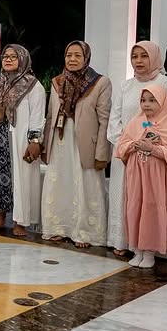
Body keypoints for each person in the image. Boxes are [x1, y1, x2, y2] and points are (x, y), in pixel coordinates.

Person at [107, 41, 167, 255]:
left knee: (148, 198)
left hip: (153, 155)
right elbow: (115, 118)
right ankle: (123, 241)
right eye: (135, 56)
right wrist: (126, 145)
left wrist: (150, 145)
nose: (138, 61)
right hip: (126, 151)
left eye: (144, 56)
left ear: (155, 57)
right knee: (125, 197)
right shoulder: (126, 85)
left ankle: (151, 246)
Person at [41, 41, 113, 249]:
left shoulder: (100, 82)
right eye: (68, 55)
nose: (72, 59)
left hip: (85, 145)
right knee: (60, 182)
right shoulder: (57, 82)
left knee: (86, 184)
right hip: (60, 142)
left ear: (86, 58)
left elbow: (104, 120)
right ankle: (58, 227)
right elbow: (50, 116)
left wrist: (102, 153)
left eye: (77, 55)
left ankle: (85, 232)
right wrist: (45, 146)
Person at [0, 44, 46, 236]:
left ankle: (20, 222)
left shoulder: (33, 85)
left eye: (13, 57)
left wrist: (35, 140)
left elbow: (37, 114)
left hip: (18, 139)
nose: (8, 60)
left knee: (20, 180)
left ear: (23, 59)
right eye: (6, 56)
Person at [116, 85, 167, 269]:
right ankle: (137, 250)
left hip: (157, 177)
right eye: (143, 100)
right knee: (136, 207)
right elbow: (121, 146)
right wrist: (134, 145)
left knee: (152, 208)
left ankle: (149, 252)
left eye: (152, 100)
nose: (146, 104)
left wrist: (153, 149)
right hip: (137, 174)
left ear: (163, 101)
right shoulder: (136, 122)